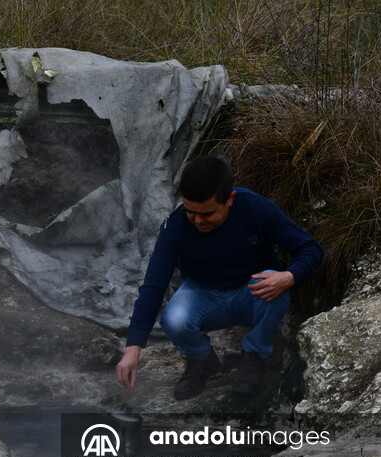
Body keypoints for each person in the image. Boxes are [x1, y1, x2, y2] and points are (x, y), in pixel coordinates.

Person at [116, 155, 323, 399]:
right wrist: (133, 349)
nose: (198, 220)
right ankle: (202, 360)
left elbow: (310, 249)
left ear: (230, 199)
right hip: (203, 292)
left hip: (251, 291)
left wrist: (289, 276)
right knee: (173, 319)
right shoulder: (175, 227)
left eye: (207, 213)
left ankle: (254, 355)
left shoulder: (255, 208)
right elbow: (153, 286)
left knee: (271, 280)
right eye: (191, 212)